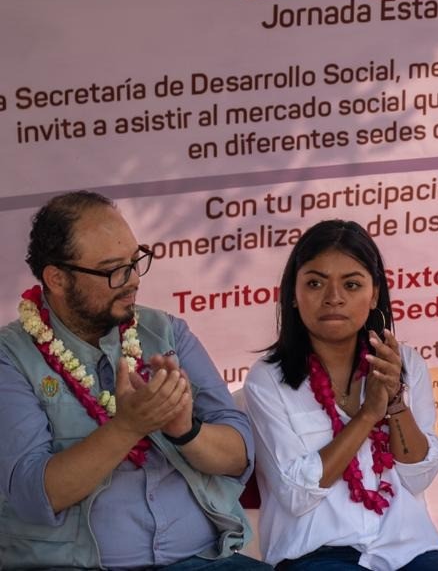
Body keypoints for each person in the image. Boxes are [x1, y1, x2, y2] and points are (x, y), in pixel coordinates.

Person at [0, 190, 266, 570]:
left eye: (135, 261)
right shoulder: (10, 357)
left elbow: (240, 453)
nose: (132, 280)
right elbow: (34, 494)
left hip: (204, 559)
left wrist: (185, 430)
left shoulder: (166, 332)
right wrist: (128, 427)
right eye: (113, 270)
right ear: (57, 279)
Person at [241, 220, 438, 571]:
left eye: (352, 284)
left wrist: (393, 402)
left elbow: (417, 477)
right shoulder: (268, 379)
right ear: (294, 295)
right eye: (315, 283)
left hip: (410, 550)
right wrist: (366, 416)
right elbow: (296, 495)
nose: (334, 297)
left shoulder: (405, 364)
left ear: (374, 293)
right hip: (317, 555)